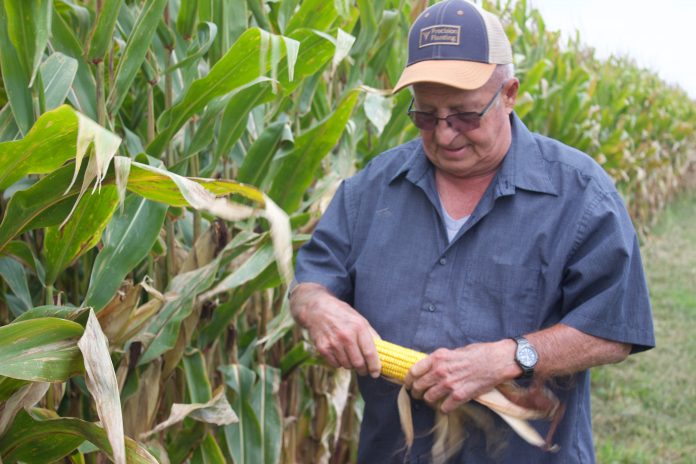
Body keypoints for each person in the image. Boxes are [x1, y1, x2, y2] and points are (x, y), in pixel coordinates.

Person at [289, 0, 655, 462]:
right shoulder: (372, 188)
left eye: (464, 115)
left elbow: (613, 328)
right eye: (426, 115)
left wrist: (510, 357)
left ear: (509, 94)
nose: (444, 135)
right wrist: (320, 307)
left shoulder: (580, 194)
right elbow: (310, 283)